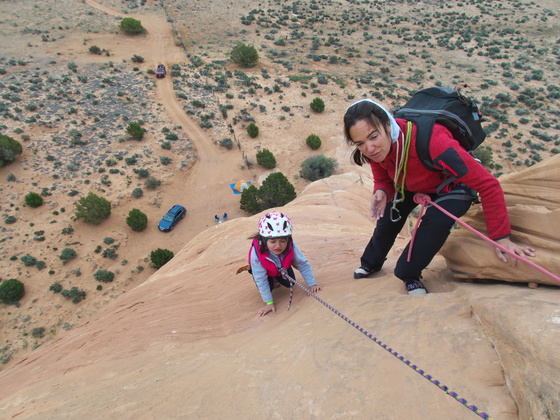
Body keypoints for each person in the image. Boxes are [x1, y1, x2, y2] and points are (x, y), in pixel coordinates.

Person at [343, 98, 535, 295]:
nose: (369, 148)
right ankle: (371, 263)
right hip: (412, 182)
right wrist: (382, 191)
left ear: (387, 125)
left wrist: (502, 238)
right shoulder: (377, 149)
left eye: (373, 137)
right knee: (388, 217)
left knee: (435, 223)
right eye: (360, 144)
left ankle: (409, 275)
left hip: (450, 186)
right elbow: (383, 174)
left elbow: (488, 184)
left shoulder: (435, 141)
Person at [248, 211, 321, 316]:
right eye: (272, 242)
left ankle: (277, 277)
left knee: (290, 283)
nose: (278, 246)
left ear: (288, 239)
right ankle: (273, 279)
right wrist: (269, 302)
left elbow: (302, 263)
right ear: (264, 241)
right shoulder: (257, 253)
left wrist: (312, 284)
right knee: (269, 287)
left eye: (283, 241)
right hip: (266, 270)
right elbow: (260, 278)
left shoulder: (290, 246)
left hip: (282, 266)